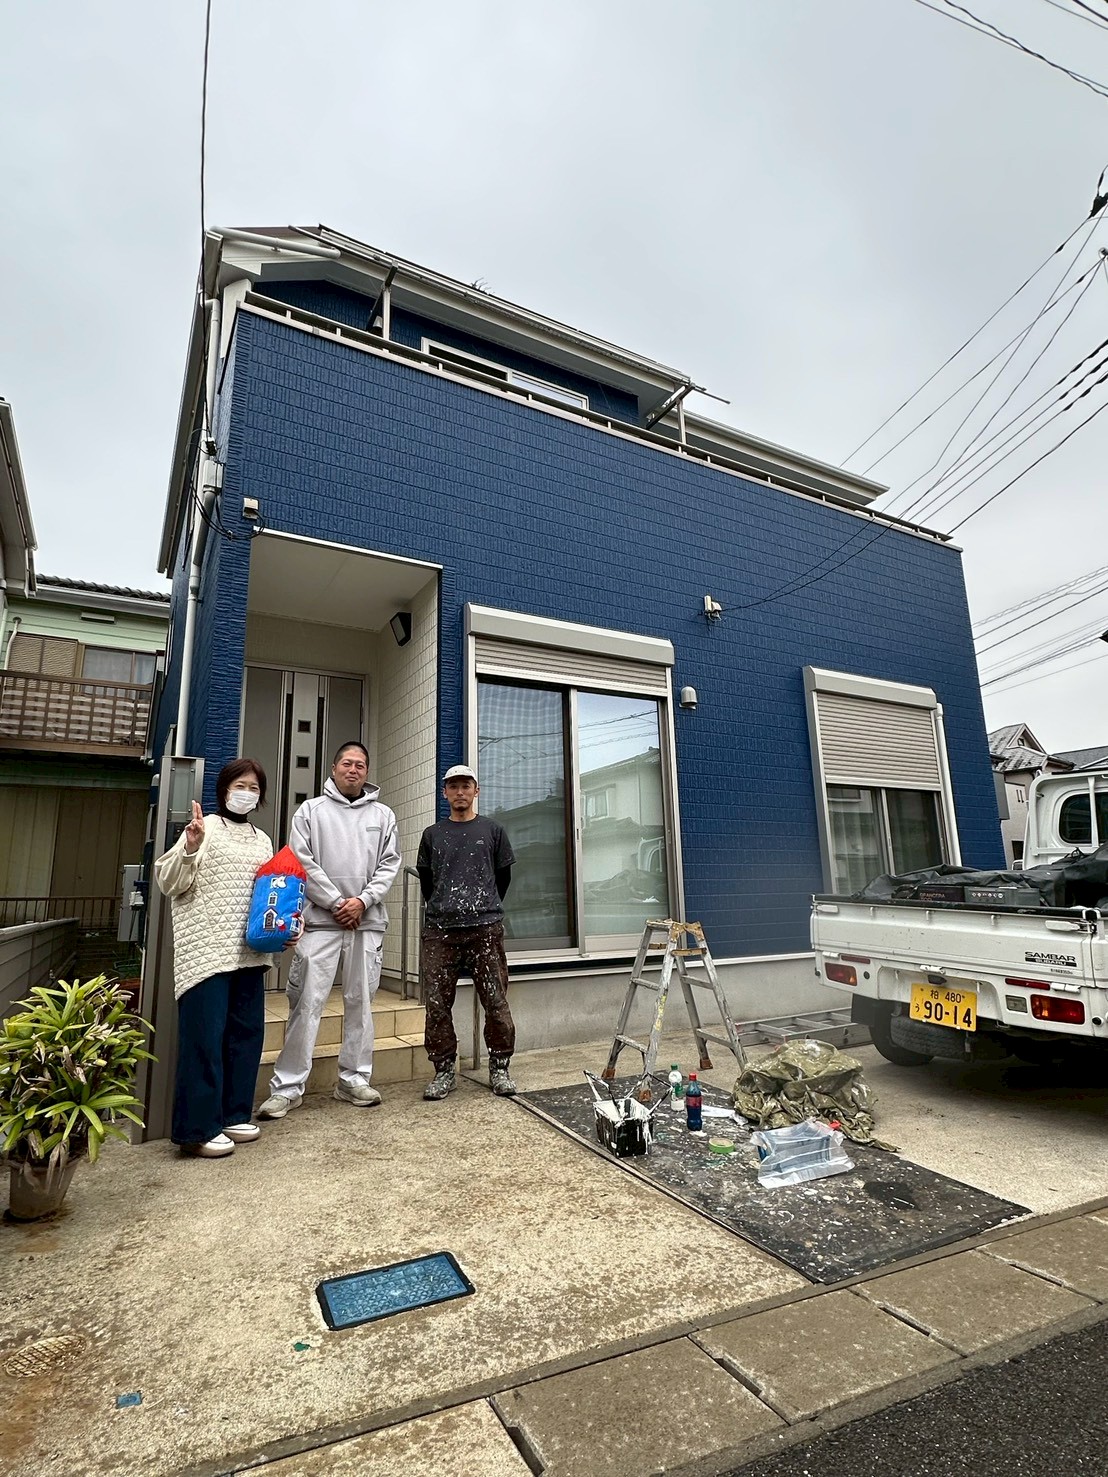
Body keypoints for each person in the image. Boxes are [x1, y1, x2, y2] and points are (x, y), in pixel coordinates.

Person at [257, 742, 401, 1118]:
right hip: (319, 922)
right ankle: (287, 1087)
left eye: (361, 765)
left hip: (365, 923)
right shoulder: (310, 811)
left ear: (367, 772)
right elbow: (302, 860)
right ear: (334, 768)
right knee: (306, 1003)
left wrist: (363, 902)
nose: (354, 770)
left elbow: (389, 865)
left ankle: (353, 1078)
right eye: (347, 763)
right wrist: (338, 902)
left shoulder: (383, 815)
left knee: (361, 1004)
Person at [154, 759, 278, 1158]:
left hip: (249, 953)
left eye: (254, 788)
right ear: (224, 788)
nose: (247, 793)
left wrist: (285, 926)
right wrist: (189, 848)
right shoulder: (203, 828)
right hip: (206, 952)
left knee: (245, 1037)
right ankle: (198, 1128)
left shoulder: (263, 840)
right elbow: (168, 881)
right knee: (204, 1041)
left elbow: (271, 894)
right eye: (240, 784)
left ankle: (233, 1113)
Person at [418, 764, 517, 1100]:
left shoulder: (493, 830)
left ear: (477, 790)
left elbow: (503, 877)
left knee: (496, 1000)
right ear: (444, 793)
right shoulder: (433, 834)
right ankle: (444, 1070)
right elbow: (428, 883)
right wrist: (447, 907)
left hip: (486, 929)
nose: (459, 792)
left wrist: (483, 907)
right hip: (440, 931)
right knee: (436, 1003)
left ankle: (500, 1067)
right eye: (453, 787)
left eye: (466, 786)